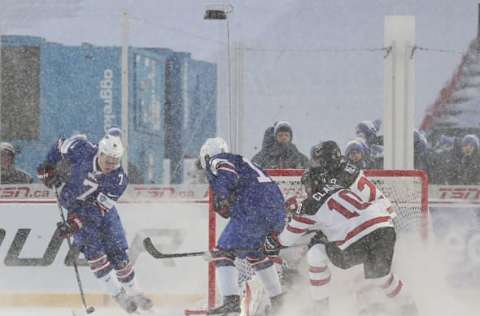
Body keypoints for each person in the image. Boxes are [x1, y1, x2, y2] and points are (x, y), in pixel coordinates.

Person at [264, 167, 418, 316]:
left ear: (310, 185)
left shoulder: (308, 206)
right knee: (381, 277)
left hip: (357, 238)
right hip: (384, 228)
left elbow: (286, 239)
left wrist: (271, 241)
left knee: (316, 253)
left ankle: (321, 309)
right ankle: (410, 307)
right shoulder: (341, 188)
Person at [36, 133, 153, 314]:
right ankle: (118, 294)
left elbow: (98, 209)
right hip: (75, 208)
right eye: (108, 161)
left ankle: (135, 292)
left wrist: (76, 223)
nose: (111, 166)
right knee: (95, 255)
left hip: (103, 214)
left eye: (116, 162)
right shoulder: (81, 148)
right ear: (100, 152)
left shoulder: (119, 179)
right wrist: (48, 166)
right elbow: (59, 144)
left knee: (119, 255)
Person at [199, 137, 286, 315]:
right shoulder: (243, 161)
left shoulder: (218, 159)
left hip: (254, 207)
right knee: (255, 253)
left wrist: (222, 194)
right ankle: (279, 302)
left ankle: (231, 302)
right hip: (276, 209)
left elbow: (227, 175)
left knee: (223, 252)